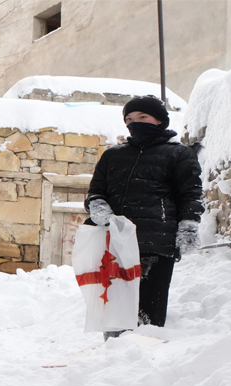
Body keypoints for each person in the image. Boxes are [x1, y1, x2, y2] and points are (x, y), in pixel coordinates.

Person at [84, 95, 203, 337]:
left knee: (149, 309)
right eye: (129, 119)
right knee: (116, 306)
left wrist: (188, 226)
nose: (134, 122)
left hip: (156, 241)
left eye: (142, 117)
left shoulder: (179, 154)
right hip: (116, 241)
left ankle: (146, 354)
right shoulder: (113, 155)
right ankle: (114, 353)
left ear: (159, 120)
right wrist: (97, 205)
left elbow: (190, 194)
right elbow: (96, 190)